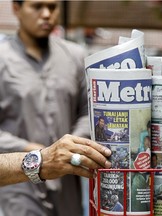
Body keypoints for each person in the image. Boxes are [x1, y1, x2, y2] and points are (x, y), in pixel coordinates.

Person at [0, 0, 90, 215]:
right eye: (37, 6)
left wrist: (72, 145)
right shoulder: (2, 58)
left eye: (52, 7)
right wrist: (30, 148)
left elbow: (88, 112)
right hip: (19, 180)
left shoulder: (76, 56)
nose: (47, 14)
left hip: (67, 179)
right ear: (16, 8)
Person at [0, 134, 112, 187]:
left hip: (67, 181)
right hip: (16, 183)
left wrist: (75, 143)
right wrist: (40, 157)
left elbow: (83, 110)